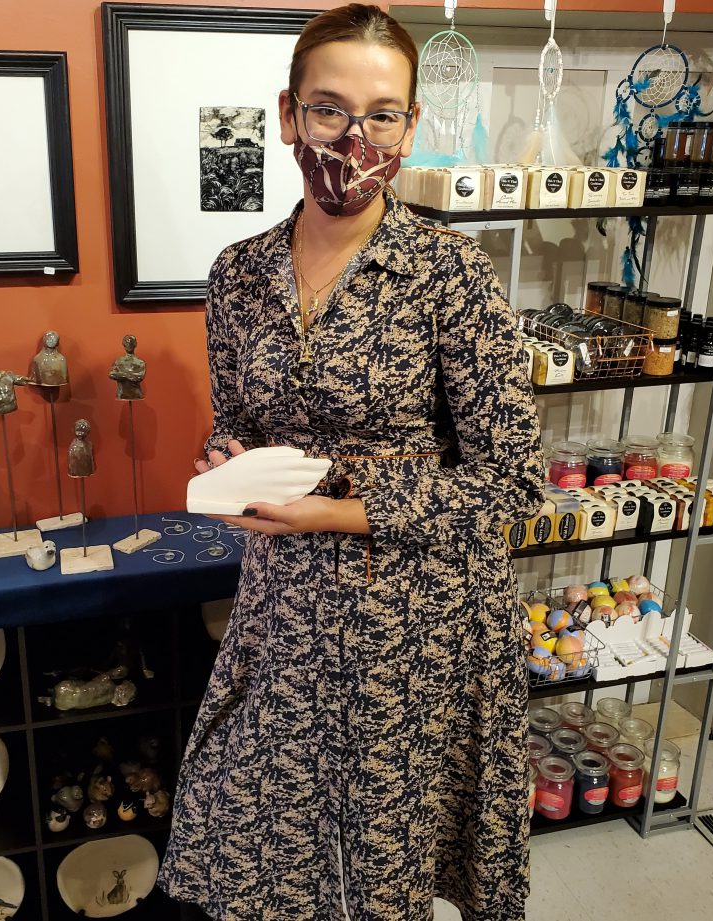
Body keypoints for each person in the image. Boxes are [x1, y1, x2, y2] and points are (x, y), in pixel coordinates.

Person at [157, 6, 545, 921]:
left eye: (381, 114)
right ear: (288, 114)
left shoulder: (451, 272)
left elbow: (512, 480)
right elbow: (238, 422)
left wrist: (337, 507)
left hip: (416, 624)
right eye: (329, 109)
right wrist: (229, 461)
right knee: (263, 849)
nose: (353, 136)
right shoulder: (237, 274)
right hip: (284, 609)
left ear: (409, 127)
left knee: (382, 868)